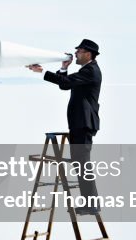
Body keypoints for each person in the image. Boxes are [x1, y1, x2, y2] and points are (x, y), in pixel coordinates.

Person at [27, 39, 102, 214]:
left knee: (83, 165)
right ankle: (90, 203)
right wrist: (64, 68)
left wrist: (42, 71)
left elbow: (66, 83)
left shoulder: (90, 71)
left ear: (88, 54)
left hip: (84, 124)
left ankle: (91, 204)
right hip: (80, 124)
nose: (75, 53)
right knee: (81, 164)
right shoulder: (86, 71)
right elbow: (64, 84)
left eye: (79, 51)